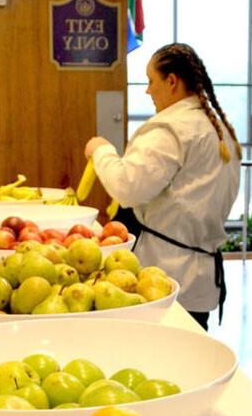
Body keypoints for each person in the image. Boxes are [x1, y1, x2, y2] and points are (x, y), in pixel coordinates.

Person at [84, 43, 241, 330]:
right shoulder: (218, 128)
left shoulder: (172, 129)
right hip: (200, 275)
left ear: (172, 82)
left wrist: (101, 151)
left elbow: (127, 187)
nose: (147, 90)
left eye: (151, 81)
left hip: (165, 273)